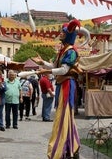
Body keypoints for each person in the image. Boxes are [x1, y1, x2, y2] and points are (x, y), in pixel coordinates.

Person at [32, 19, 88, 158]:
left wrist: (45, 72)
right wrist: (43, 63)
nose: (60, 34)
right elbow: (54, 66)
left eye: (63, 32)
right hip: (61, 85)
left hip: (67, 85)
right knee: (63, 116)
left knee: (63, 116)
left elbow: (63, 70)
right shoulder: (62, 51)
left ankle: (63, 148)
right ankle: (70, 146)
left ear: (68, 35)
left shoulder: (71, 52)